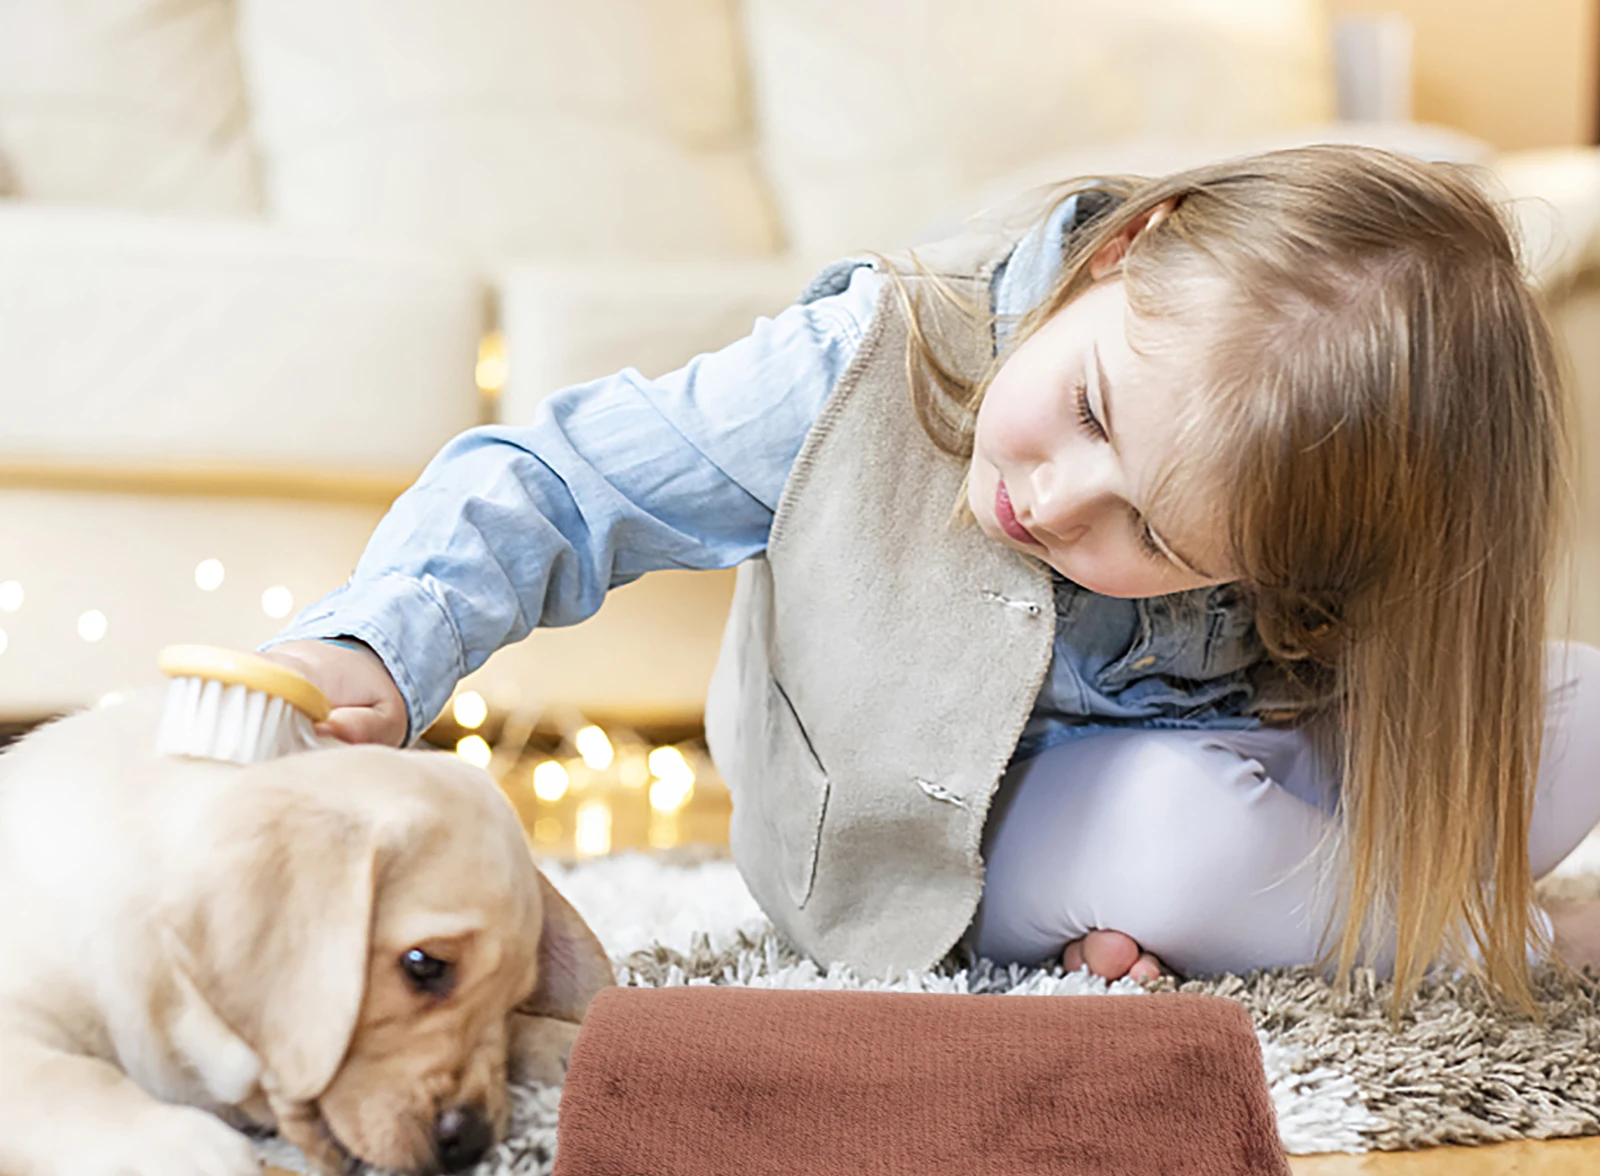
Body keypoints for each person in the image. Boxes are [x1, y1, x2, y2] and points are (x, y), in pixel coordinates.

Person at [259, 144, 1600, 1027]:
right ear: (1131, 246)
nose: (1057, 501)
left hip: (1229, 753)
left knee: (1572, 701)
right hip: (939, 841)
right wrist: (377, 644)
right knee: (1191, 835)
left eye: (1162, 537)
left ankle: (1334, 890)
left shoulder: (1310, 516)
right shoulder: (858, 362)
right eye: (1086, 409)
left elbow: (1392, 691)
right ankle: (1477, 925)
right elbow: (562, 483)